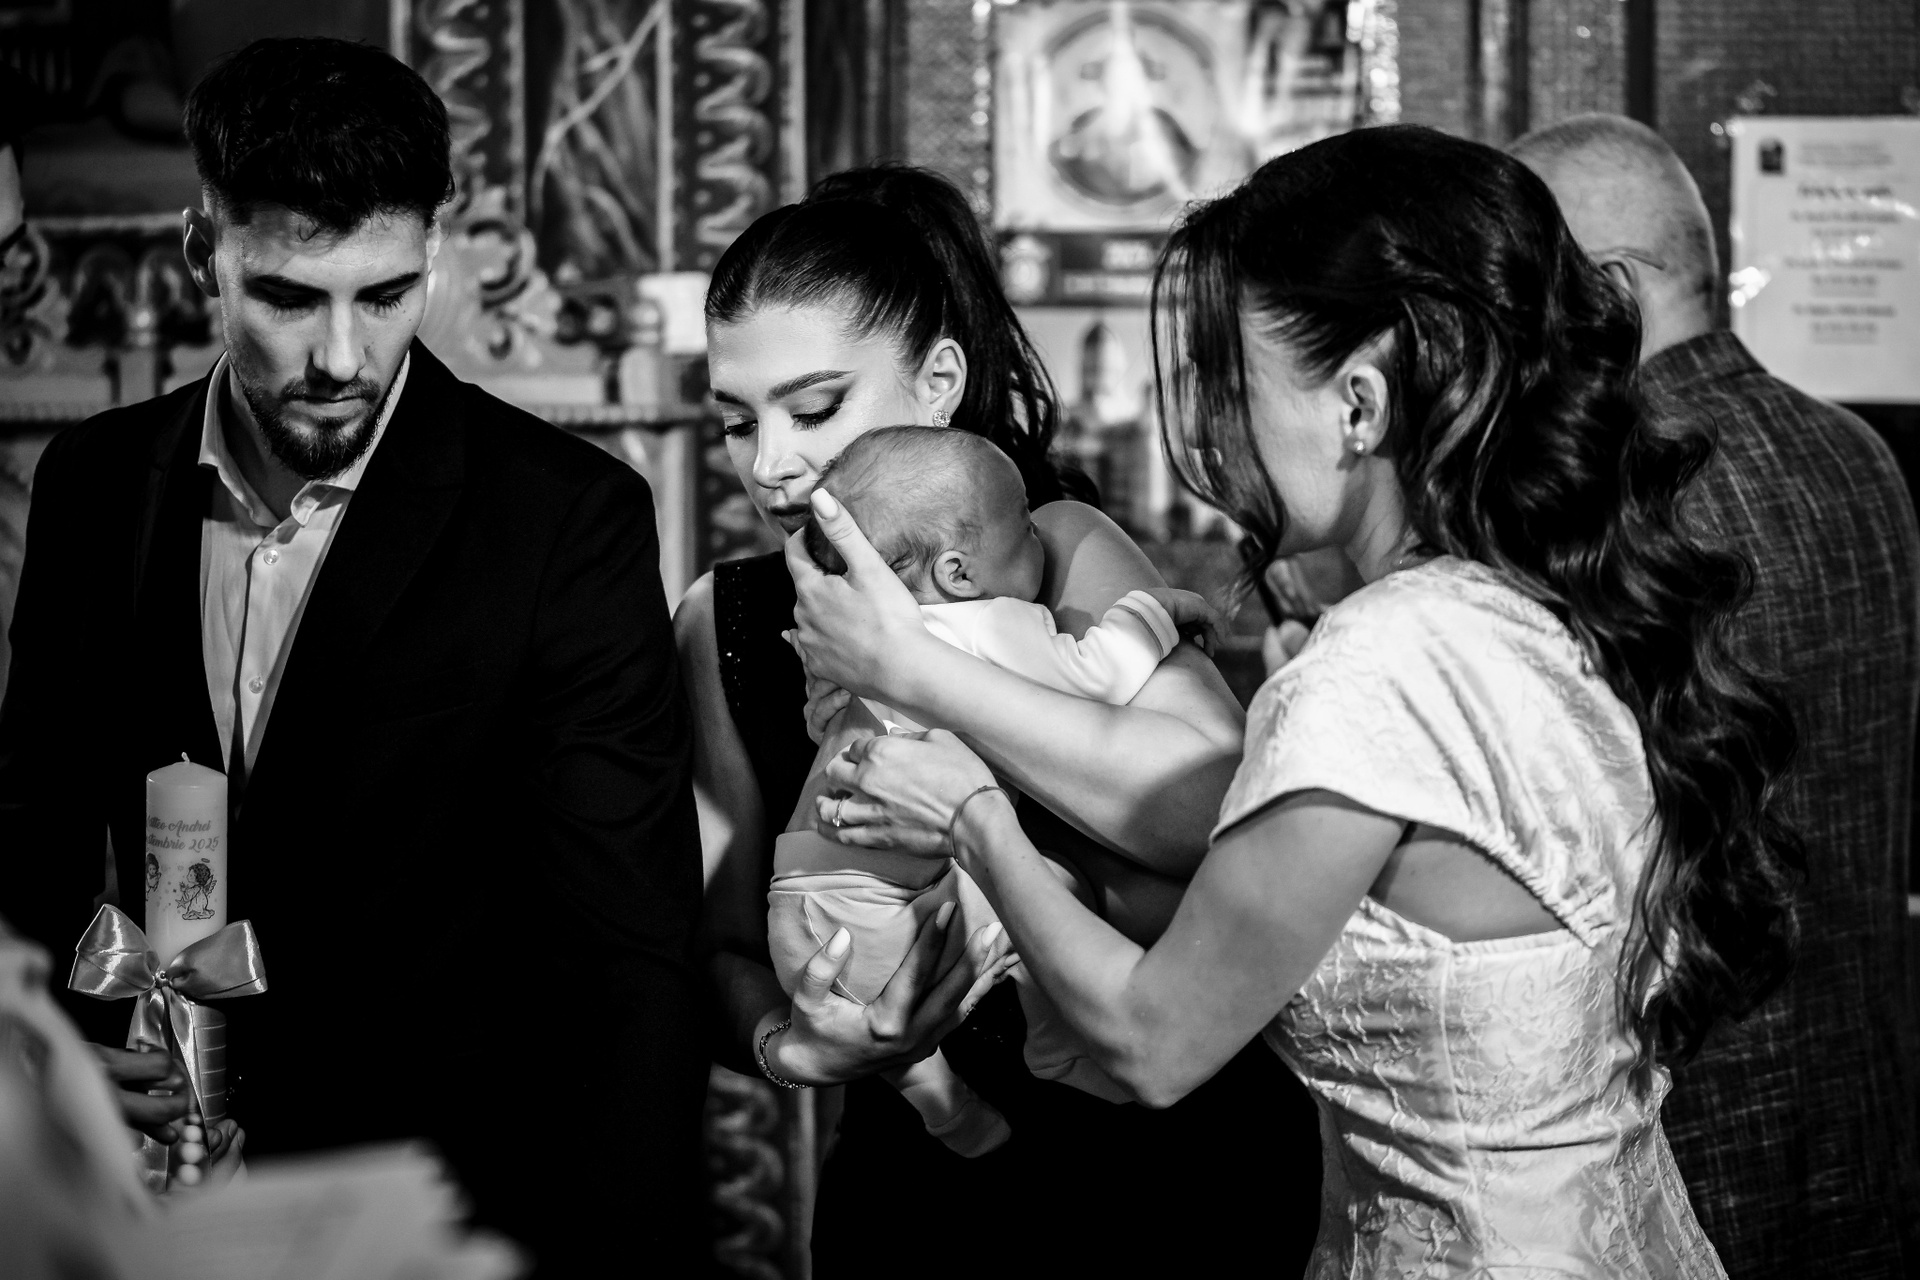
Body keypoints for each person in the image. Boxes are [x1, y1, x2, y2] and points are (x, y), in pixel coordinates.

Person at [797, 125, 1806, 1277]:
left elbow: (1150, 1039)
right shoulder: (1553, 605)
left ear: (1359, 401)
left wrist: (971, 813)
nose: (1213, 427)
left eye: (1233, 378)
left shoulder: (1379, 664)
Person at [0, 38, 705, 1274]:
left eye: (385, 295)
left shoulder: (564, 520)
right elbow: (33, 831)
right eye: (288, 297)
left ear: (434, 251)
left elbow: (630, 964)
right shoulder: (94, 483)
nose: (342, 359)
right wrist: (49, 1057)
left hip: (446, 1210)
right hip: (142, 1208)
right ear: (202, 252)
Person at [679, 163, 1321, 1275]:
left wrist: (913, 670)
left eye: (815, 409)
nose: (772, 465)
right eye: (738, 422)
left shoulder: (1054, 549)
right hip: (919, 1188)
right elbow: (715, 942)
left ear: (937, 382)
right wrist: (798, 1047)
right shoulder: (725, 616)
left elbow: (1213, 811)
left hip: (1166, 1162)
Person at [1512, 112, 1920, 1278]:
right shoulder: (1860, 453)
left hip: (1691, 1138)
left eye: (1524, 291)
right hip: (1870, 1109)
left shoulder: (1620, 499)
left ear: (1606, 289)